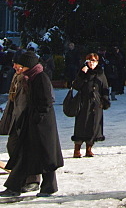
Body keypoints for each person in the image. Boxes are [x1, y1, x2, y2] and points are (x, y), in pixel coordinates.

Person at [1, 49, 63, 198]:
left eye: (19, 65)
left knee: (46, 157)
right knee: (24, 154)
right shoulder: (29, 77)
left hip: (41, 126)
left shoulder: (40, 77)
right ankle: (15, 187)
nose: (17, 67)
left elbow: (46, 102)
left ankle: (47, 188)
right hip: (32, 123)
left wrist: (36, 118)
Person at [71, 52, 110, 158]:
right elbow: (76, 86)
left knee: (93, 126)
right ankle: (77, 149)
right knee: (81, 125)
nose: (91, 63)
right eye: (89, 61)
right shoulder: (83, 71)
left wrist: (104, 101)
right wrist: (82, 75)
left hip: (96, 104)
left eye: (94, 61)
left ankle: (89, 148)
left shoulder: (100, 73)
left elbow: (105, 88)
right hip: (83, 102)